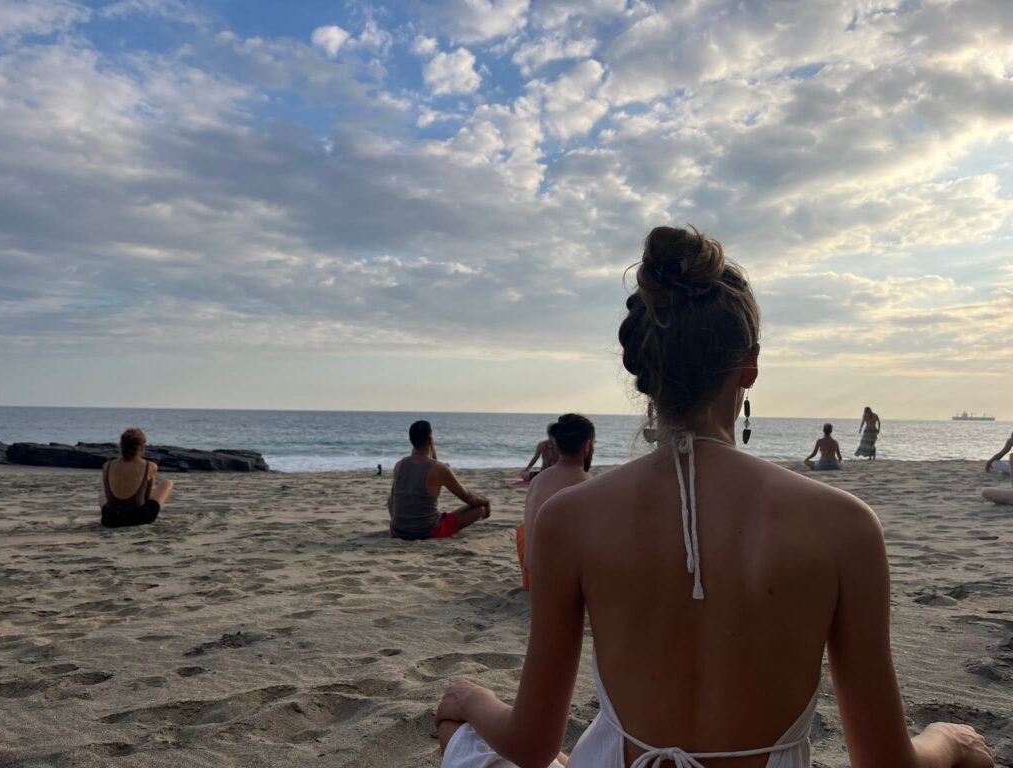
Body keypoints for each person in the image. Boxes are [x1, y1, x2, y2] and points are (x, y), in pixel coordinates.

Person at [435, 226, 992, 768]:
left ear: (645, 373)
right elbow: (886, 761)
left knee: (462, 725)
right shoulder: (845, 526)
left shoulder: (568, 518)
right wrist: (947, 738)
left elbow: (530, 745)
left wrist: (471, 700)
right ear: (749, 366)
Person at [516, 414, 595, 591]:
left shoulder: (537, 480)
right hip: (560, 579)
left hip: (532, 574)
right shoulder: (586, 483)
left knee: (524, 529)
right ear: (588, 446)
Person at [388, 420, 490, 540]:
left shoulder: (399, 465)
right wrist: (487, 502)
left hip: (397, 531)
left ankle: (402, 524)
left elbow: (392, 500)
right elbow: (469, 498)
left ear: (411, 441)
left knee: (393, 498)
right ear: (430, 440)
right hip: (428, 531)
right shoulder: (439, 468)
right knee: (479, 508)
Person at [98, 428, 174, 528]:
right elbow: (146, 499)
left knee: (102, 495)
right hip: (138, 518)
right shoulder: (150, 466)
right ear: (142, 447)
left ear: (121, 445)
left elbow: (109, 498)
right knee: (167, 483)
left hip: (110, 519)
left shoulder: (106, 466)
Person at [982, 431, 1013, 506]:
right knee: (994, 462)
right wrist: (989, 462)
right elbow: (1001, 454)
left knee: (985, 492)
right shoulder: (1010, 441)